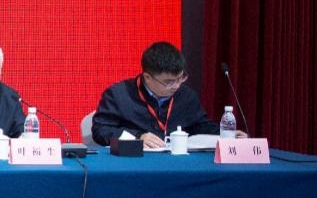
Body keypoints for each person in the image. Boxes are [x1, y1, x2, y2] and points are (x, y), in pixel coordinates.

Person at [91, 41, 238, 147]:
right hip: (135, 163)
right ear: (147, 77)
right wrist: (138, 137)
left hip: (178, 163)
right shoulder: (118, 95)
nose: (176, 86)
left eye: (180, 78)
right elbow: (101, 131)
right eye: (169, 82)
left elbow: (200, 126)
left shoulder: (186, 95)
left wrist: (226, 134)